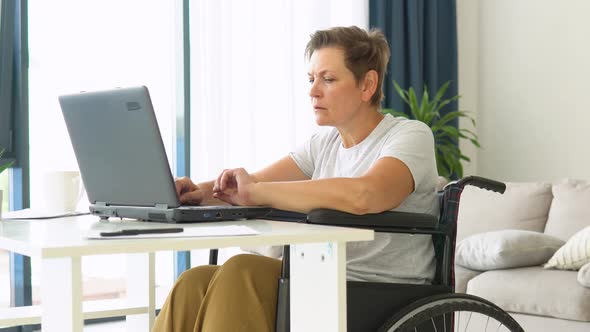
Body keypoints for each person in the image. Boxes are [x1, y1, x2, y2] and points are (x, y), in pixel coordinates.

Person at [152, 25, 438, 332]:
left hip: (378, 289)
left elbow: (365, 195)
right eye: (311, 78)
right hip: (321, 275)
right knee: (193, 282)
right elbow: (251, 184)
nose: (313, 90)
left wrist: (259, 192)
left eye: (328, 79)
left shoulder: (409, 136)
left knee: (242, 271)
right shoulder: (323, 144)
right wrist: (196, 191)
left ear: (367, 84)